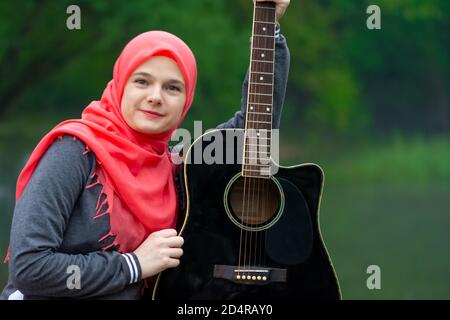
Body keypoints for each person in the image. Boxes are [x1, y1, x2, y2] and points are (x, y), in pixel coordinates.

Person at [1, 0, 290, 300]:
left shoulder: (179, 168)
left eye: (172, 88)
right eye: (142, 81)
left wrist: (270, 29)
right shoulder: (74, 152)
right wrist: (134, 264)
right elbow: (30, 268)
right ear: (121, 84)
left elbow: (253, 131)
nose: (155, 97)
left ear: (186, 100)